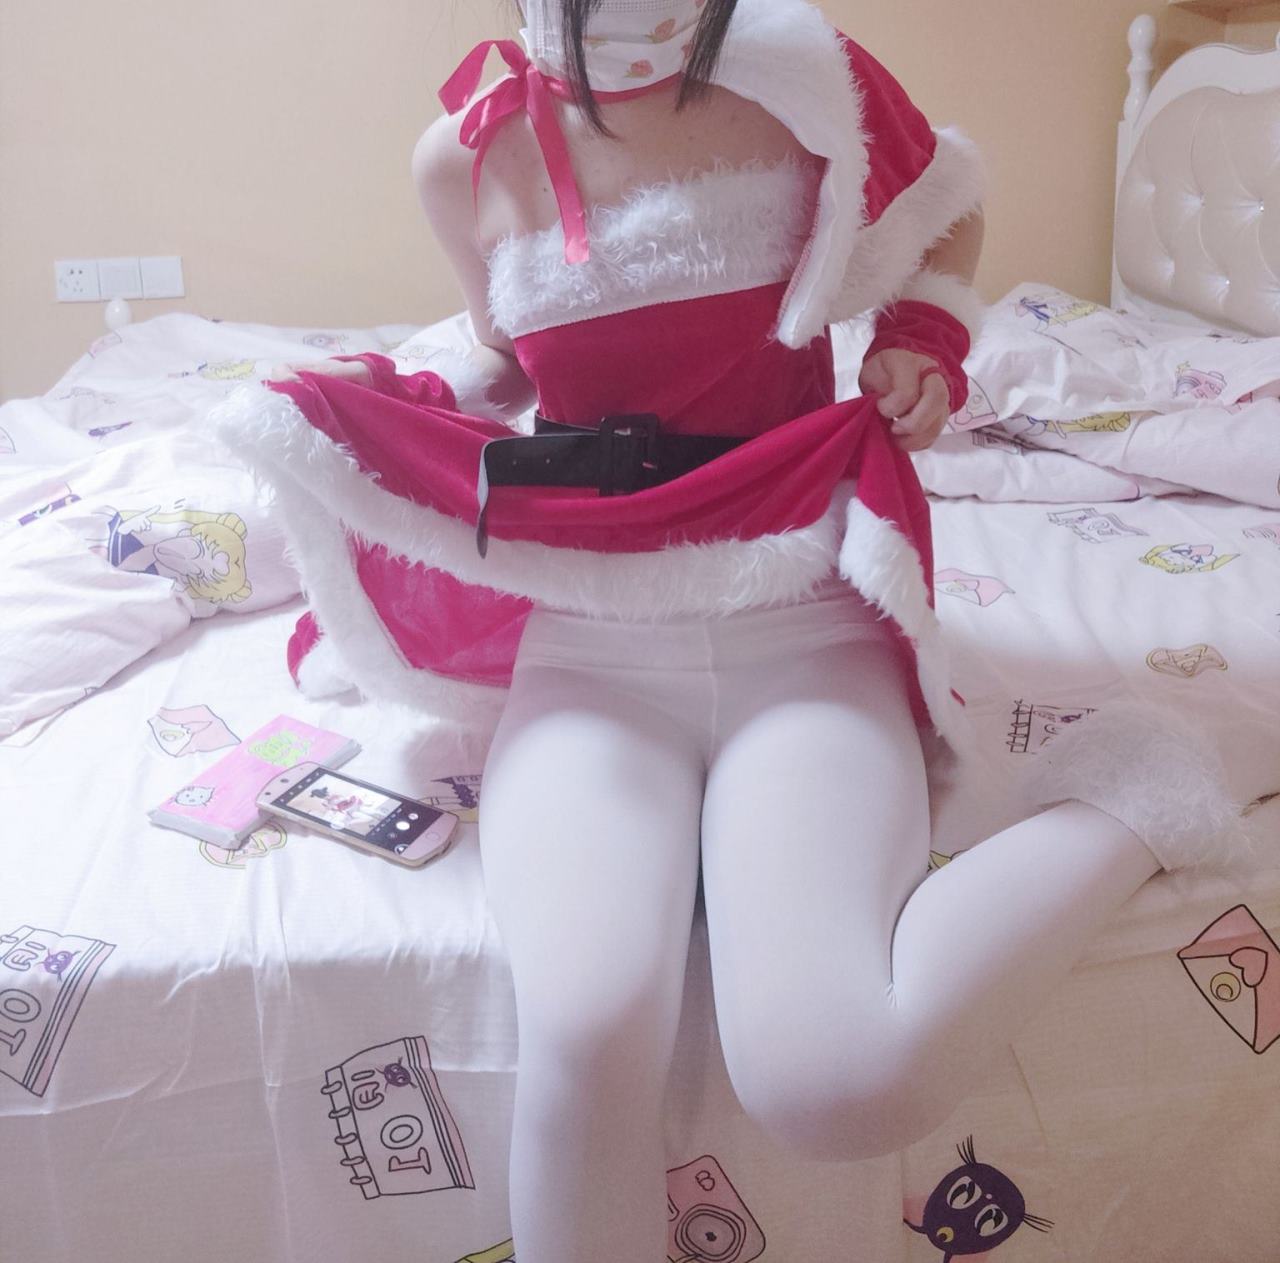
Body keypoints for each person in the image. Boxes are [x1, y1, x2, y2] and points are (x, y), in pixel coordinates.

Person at [226, 1, 1265, 1257]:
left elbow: (943, 202)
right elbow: (513, 363)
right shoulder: (460, 155)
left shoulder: (798, 73)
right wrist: (384, 404)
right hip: (591, 637)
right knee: (587, 1032)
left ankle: (1130, 792)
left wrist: (922, 338)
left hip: (801, 619)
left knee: (836, 1080)